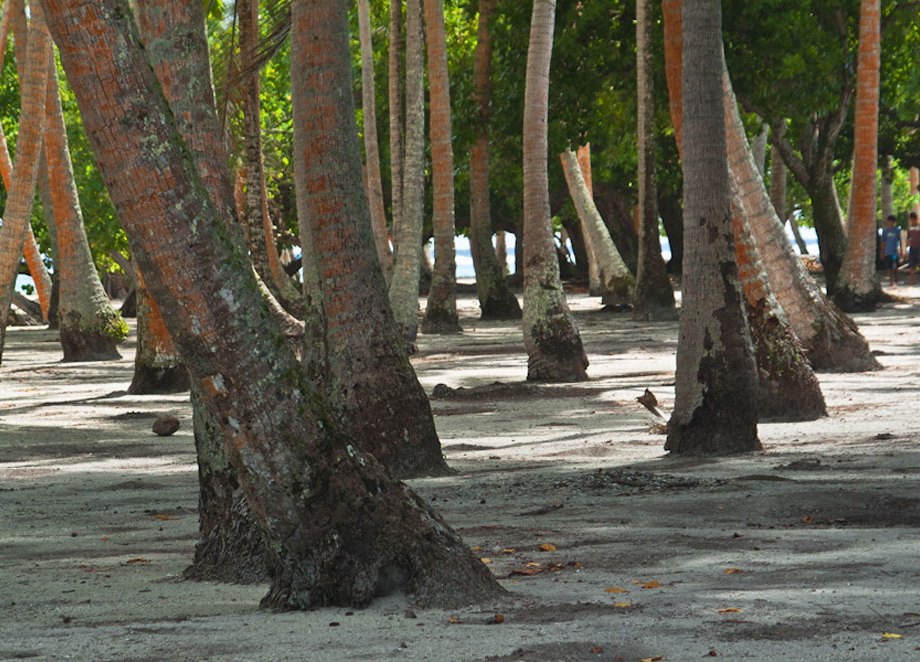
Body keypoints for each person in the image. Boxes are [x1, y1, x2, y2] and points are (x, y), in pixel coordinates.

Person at [879, 215, 902, 286]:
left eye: (892, 222)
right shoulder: (885, 231)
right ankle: (891, 280)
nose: (890, 223)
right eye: (889, 221)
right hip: (887, 252)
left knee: (895, 266)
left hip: (895, 251)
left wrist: (901, 251)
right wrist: (882, 252)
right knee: (889, 267)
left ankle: (896, 279)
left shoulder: (898, 231)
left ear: (894, 222)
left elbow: (901, 241)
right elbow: (883, 242)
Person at [907, 211, 920, 286]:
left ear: (916, 219)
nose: (912, 221)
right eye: (911, 219)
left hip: (919, 247)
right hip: (912, 248)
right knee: (912, 265)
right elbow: (908, 238)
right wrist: (906, 248)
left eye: (913, 219)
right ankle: (912, 282)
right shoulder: (910, 227)